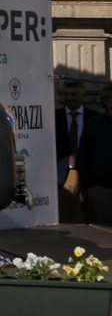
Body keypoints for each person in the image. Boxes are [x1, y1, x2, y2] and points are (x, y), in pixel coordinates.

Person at [55, 78, 98, 223]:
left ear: (82, 96)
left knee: (91, 217)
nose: (69, 98)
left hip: (90, 177)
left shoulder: (95, 117)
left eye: (73, 94)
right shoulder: (54, 117)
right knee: (66, 217)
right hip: (62, 178)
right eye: (66, 94)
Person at [78, 84, 112, 225]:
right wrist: (90, 187)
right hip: (101, 191)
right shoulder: (93, 126)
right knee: (104, 232)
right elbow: (83, 157)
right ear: (106, 102)